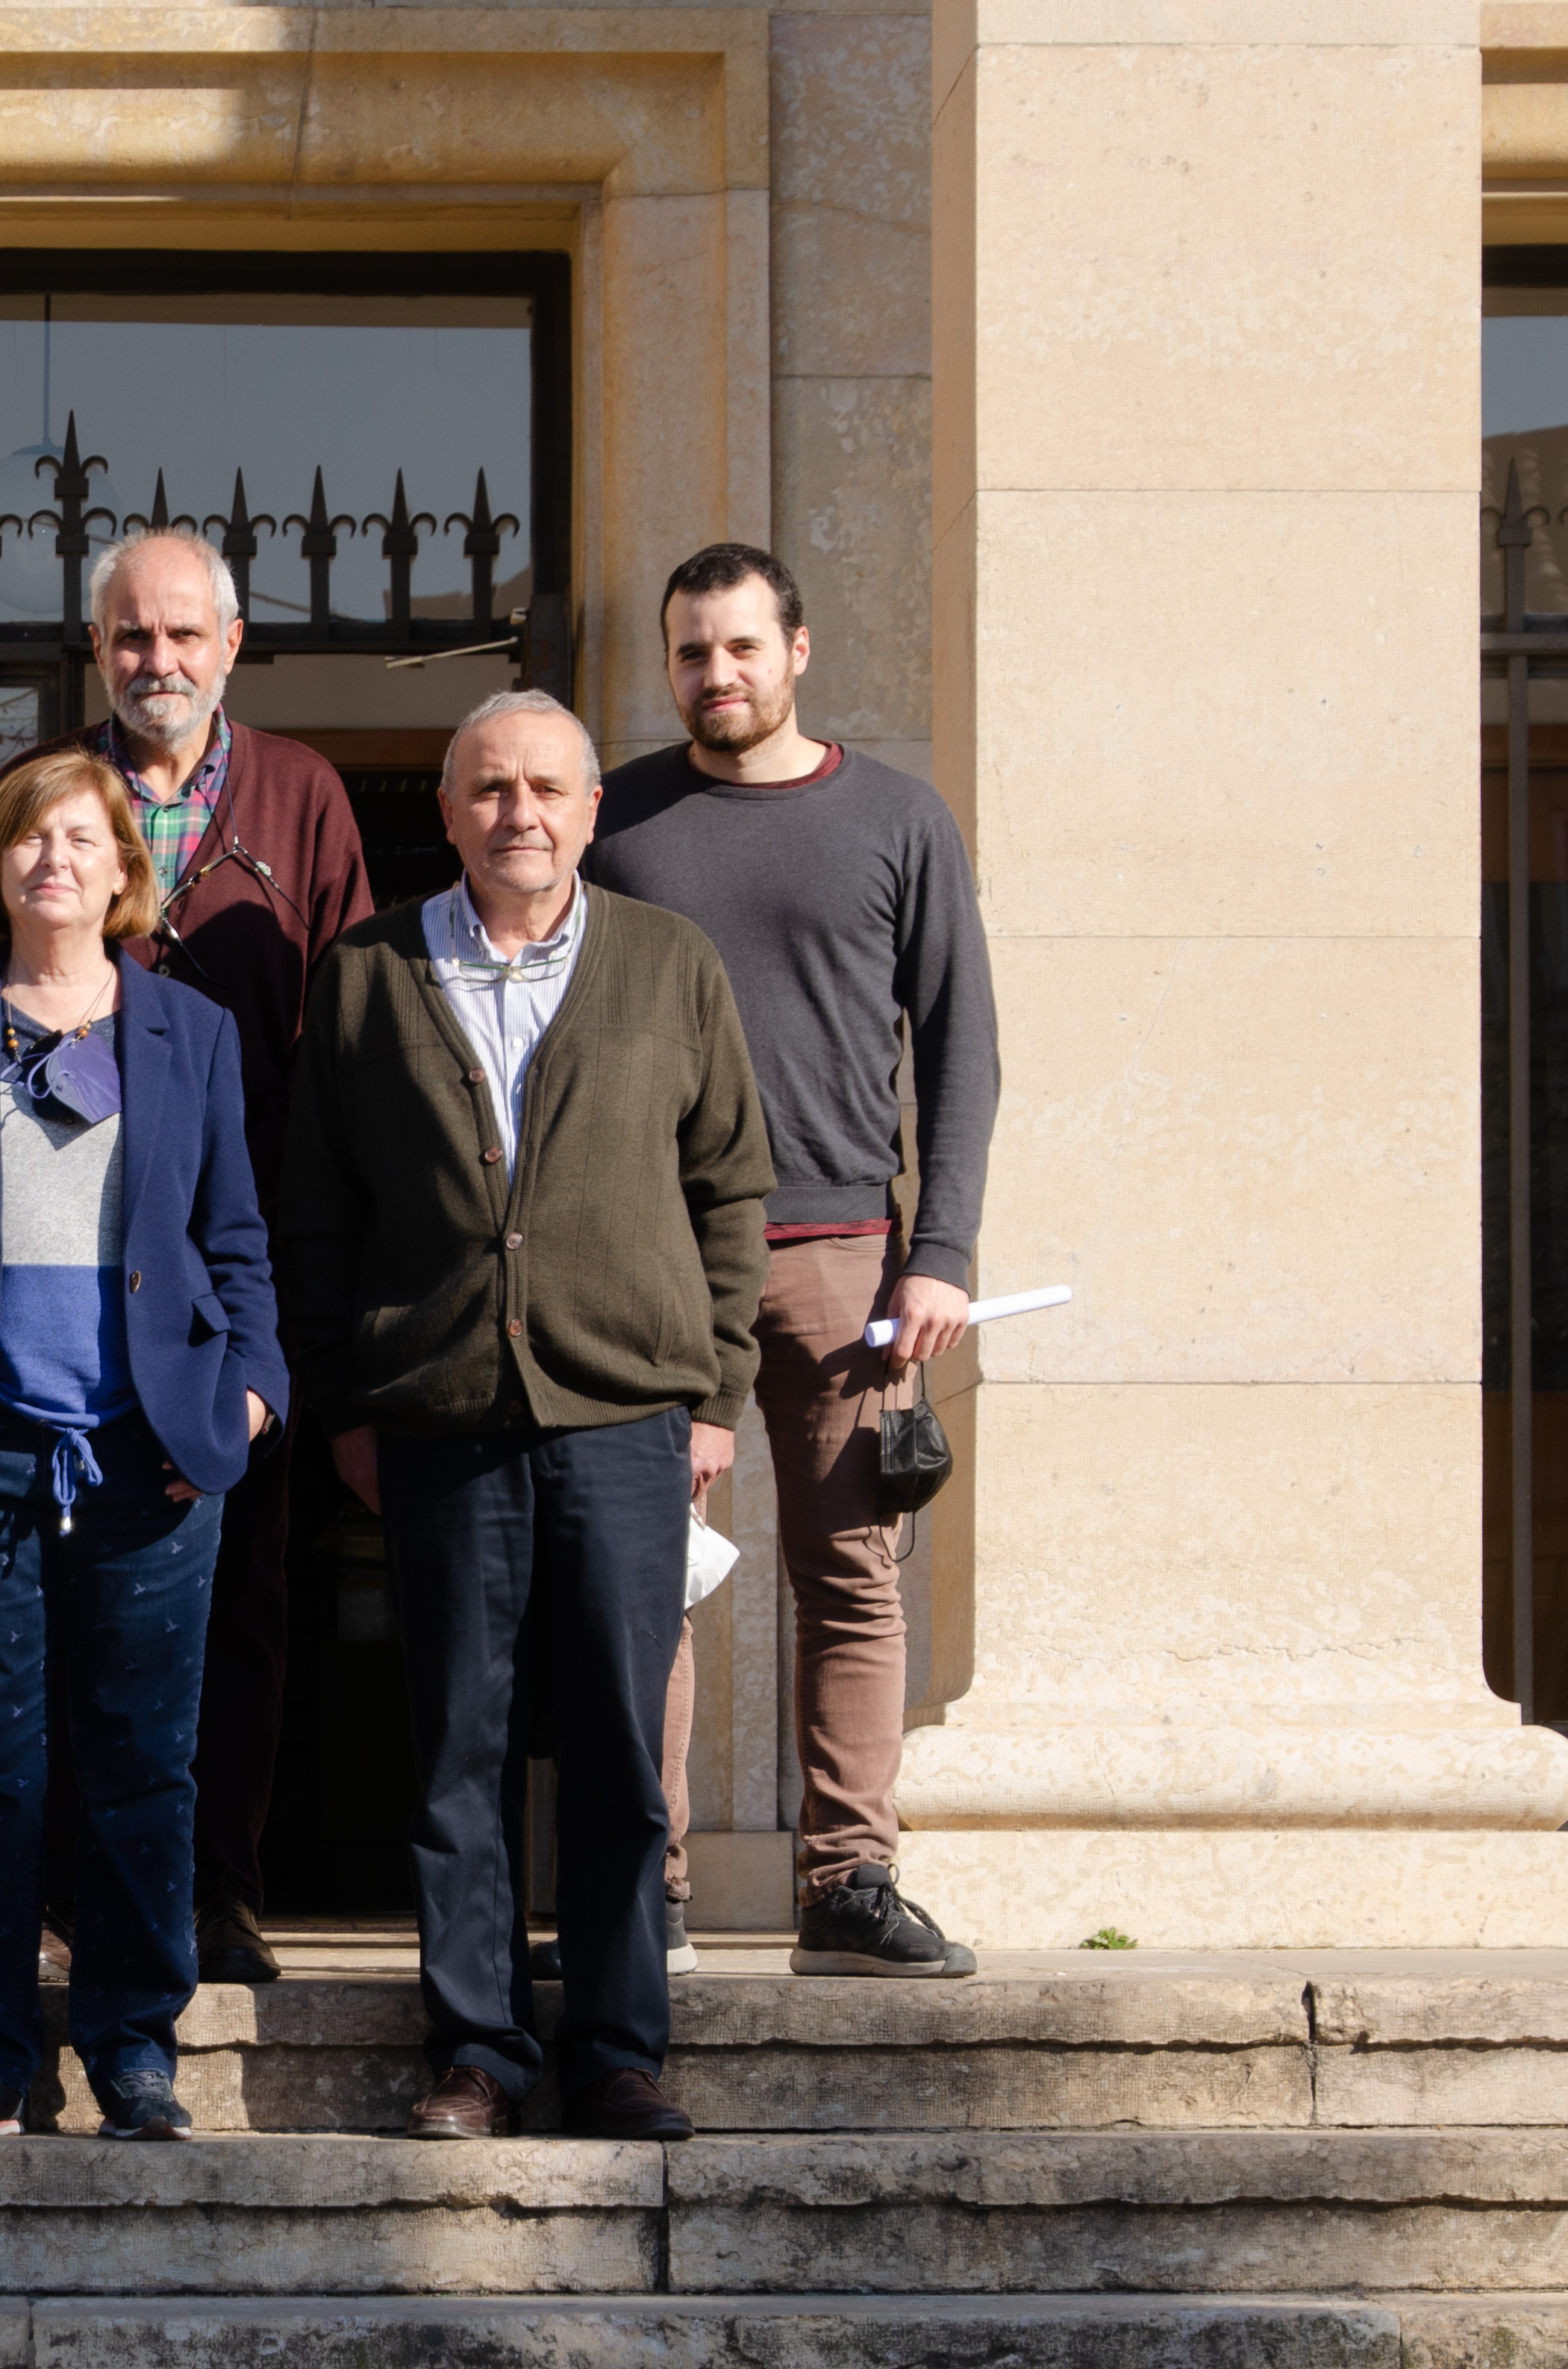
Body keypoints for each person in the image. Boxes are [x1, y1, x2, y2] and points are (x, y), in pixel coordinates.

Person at [281, 690, 770, 2146]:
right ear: (449, 811)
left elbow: (729, 1190)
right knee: (459, 1752)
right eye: (490, 789)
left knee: (621, 1749)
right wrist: (349, 1401)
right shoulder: (365, 977)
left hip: (629, 1417)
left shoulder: (667, 966)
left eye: (547, 788)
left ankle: (617, 2047)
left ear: (588, 808)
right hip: (436, 1424)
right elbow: (314, 1214)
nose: (520, 815)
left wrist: (715, 1396)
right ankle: (478, 2050)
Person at [0, 527, 369, 1988]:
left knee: (238, 1599)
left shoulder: (301, 796)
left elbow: (356, 1032)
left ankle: (218, 1893)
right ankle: (61, 1902)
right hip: (50, 1285)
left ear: (231, 646)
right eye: (130, 638)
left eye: (183, 637)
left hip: (229, 1278)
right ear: (96, 649)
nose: (157, 663)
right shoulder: (49, 794)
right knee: (44, 1615)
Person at [0, 747, 284, 2144]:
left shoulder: (188, 1031)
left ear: (121, 868)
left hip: (149, 1442)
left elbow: (237, 1238)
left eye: (82, 838)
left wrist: (255, 1387)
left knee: (144, 1756)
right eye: (29, 838)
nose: (55, 860)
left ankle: (133, 2041)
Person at [587, 543, 996, 1982]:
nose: (718, 675)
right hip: (645, 1259)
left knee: (854, 1573)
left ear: (799, 650)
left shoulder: (897, 818)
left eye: (743, 647)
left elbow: (960, 1045)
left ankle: (848, 1881)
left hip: (842, 1257)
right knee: (645, 1577)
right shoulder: (613, 820)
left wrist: (936, 1251)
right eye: (693, 652)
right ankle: (650, 1890)